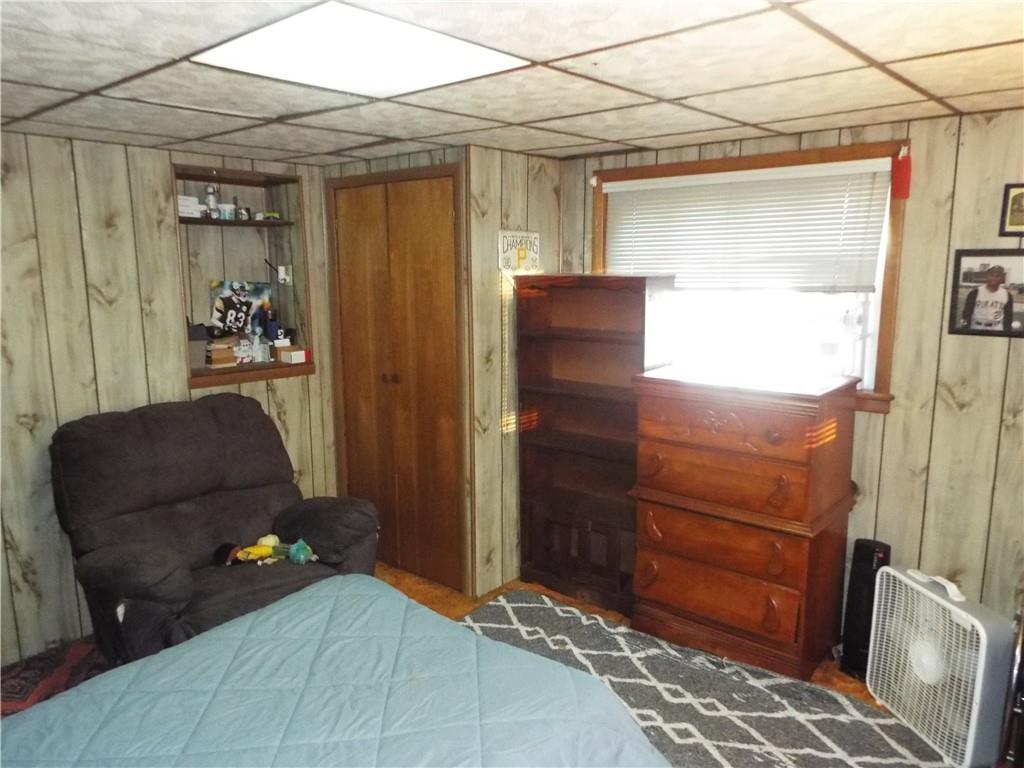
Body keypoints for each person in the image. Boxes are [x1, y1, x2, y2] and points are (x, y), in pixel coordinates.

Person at [961, 265, 1013, 332]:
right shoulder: (975, 292)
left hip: (997, 327)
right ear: (987, 276)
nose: (993, 278)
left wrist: (1008, 332)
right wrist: (964, 329)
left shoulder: (1007, 294)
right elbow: (965, 314)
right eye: (991, 275)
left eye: (997, 276)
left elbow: (1009, 317)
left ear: (1002, 279)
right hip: (976, 327)